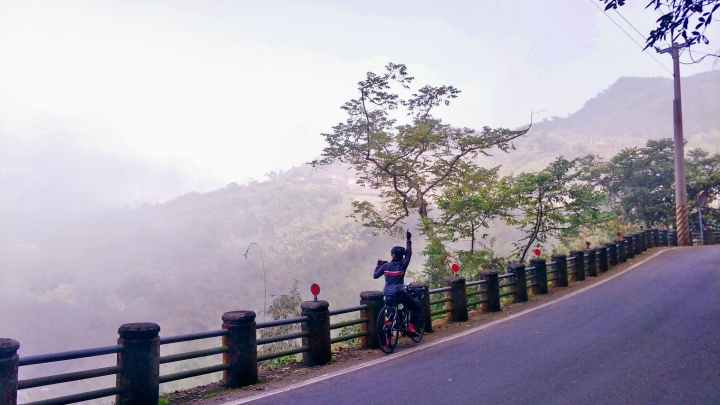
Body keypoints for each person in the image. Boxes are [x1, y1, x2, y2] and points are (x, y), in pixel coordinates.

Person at [373, 229, 421, 335]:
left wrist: (378, 265)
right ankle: (411, 328)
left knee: (391, 314)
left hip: (387, 294)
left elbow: (375, 276)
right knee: (416, 308)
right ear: (401, 256)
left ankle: (389, 341)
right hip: (399, 293)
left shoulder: (385, 266)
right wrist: (408, 239)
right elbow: (409, 254)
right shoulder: (402, 265)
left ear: (392, 255)